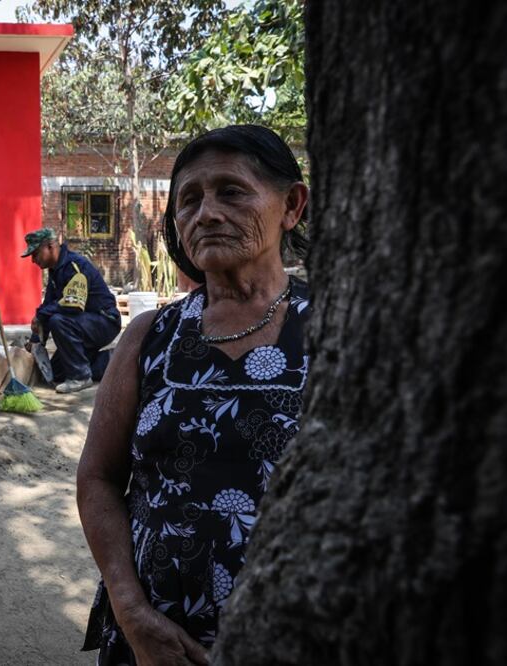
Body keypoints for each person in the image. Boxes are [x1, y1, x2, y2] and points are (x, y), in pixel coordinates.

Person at [77, 125, 311, 664]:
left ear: (292, 205)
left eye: (231, 191)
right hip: (155, 634)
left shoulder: (337, 329)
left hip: (297, 632)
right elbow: (97, 478)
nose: (205, 213)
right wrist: (133, 614)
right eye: (189, 199)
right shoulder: (149, 337)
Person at [22, 227, 121, 393]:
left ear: (50, 247)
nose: (33, 260)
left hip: (104, 320)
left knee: (58, 321)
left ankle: (80, 377)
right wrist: (36, 340)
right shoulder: (55, 271)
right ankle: (114, 361)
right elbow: (48, 306)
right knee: (58, 372)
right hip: (84, 323)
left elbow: (72, 305)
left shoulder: (75, 266)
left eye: (35, 254)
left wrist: (40, 316)